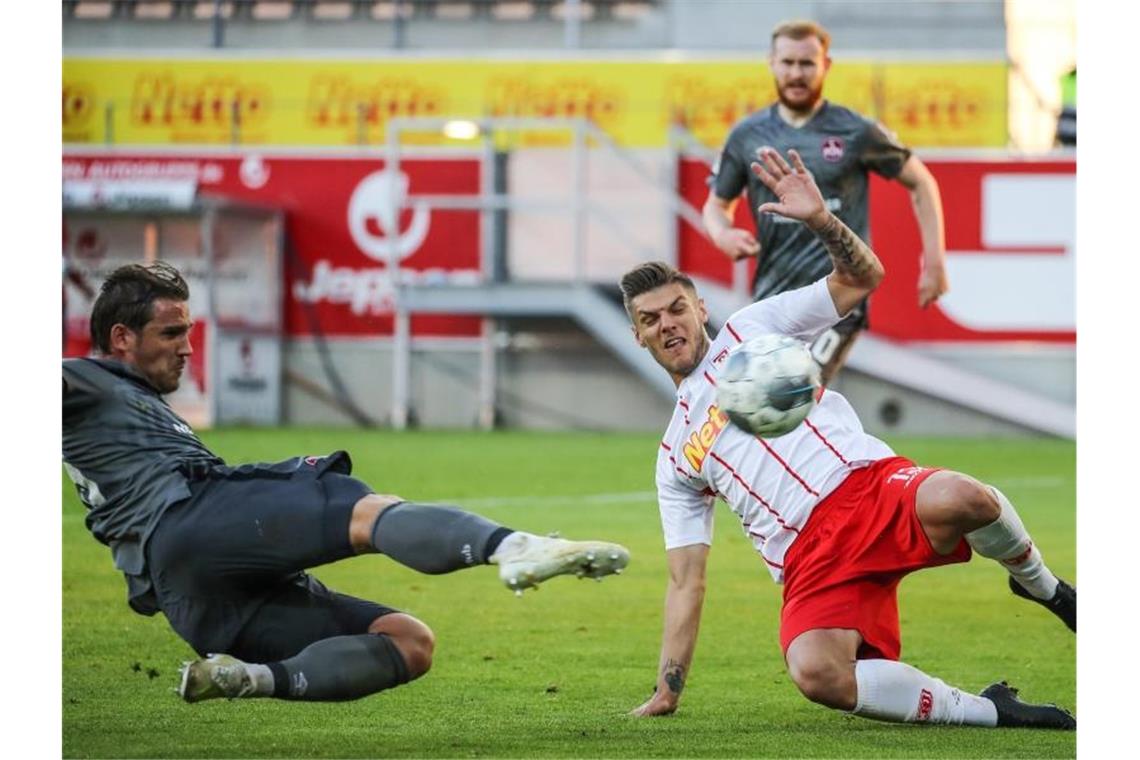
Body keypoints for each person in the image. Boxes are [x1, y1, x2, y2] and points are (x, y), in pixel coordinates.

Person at [624, 147, 1074, 728]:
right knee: (818, 675)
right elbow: (687, 578)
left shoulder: (752, 328)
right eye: (651, 319)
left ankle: (1048, 591)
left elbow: (863, 278)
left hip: (868, 487)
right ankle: (992, 711)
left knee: (970, 498)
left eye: (676, 308)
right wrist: (668, 687)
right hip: (807, 558)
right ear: (638, 335)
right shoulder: (674, 454)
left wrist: (820, 221)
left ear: (699, 306)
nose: (668, 324)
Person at [62, 261, 630, 703]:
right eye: (171, 332)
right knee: (363, 512)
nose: (188, 347)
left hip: (187, 597)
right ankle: (516, 548)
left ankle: (248, 680)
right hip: (195, 519)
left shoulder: (115, 406)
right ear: (120, 338)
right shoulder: (88, 381)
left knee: (408, 642)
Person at [702, 19, 948, 385]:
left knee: (791, 394)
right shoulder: (747, 135)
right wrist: (722, 235)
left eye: (807, 64)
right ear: (772, 63)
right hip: (773, 300)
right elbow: (716, 205)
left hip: (838, 298)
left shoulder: (855, 130)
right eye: (788, 63)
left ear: (825, 66)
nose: (796, 74)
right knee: (767, 409)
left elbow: (921, 182)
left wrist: (935, 262)